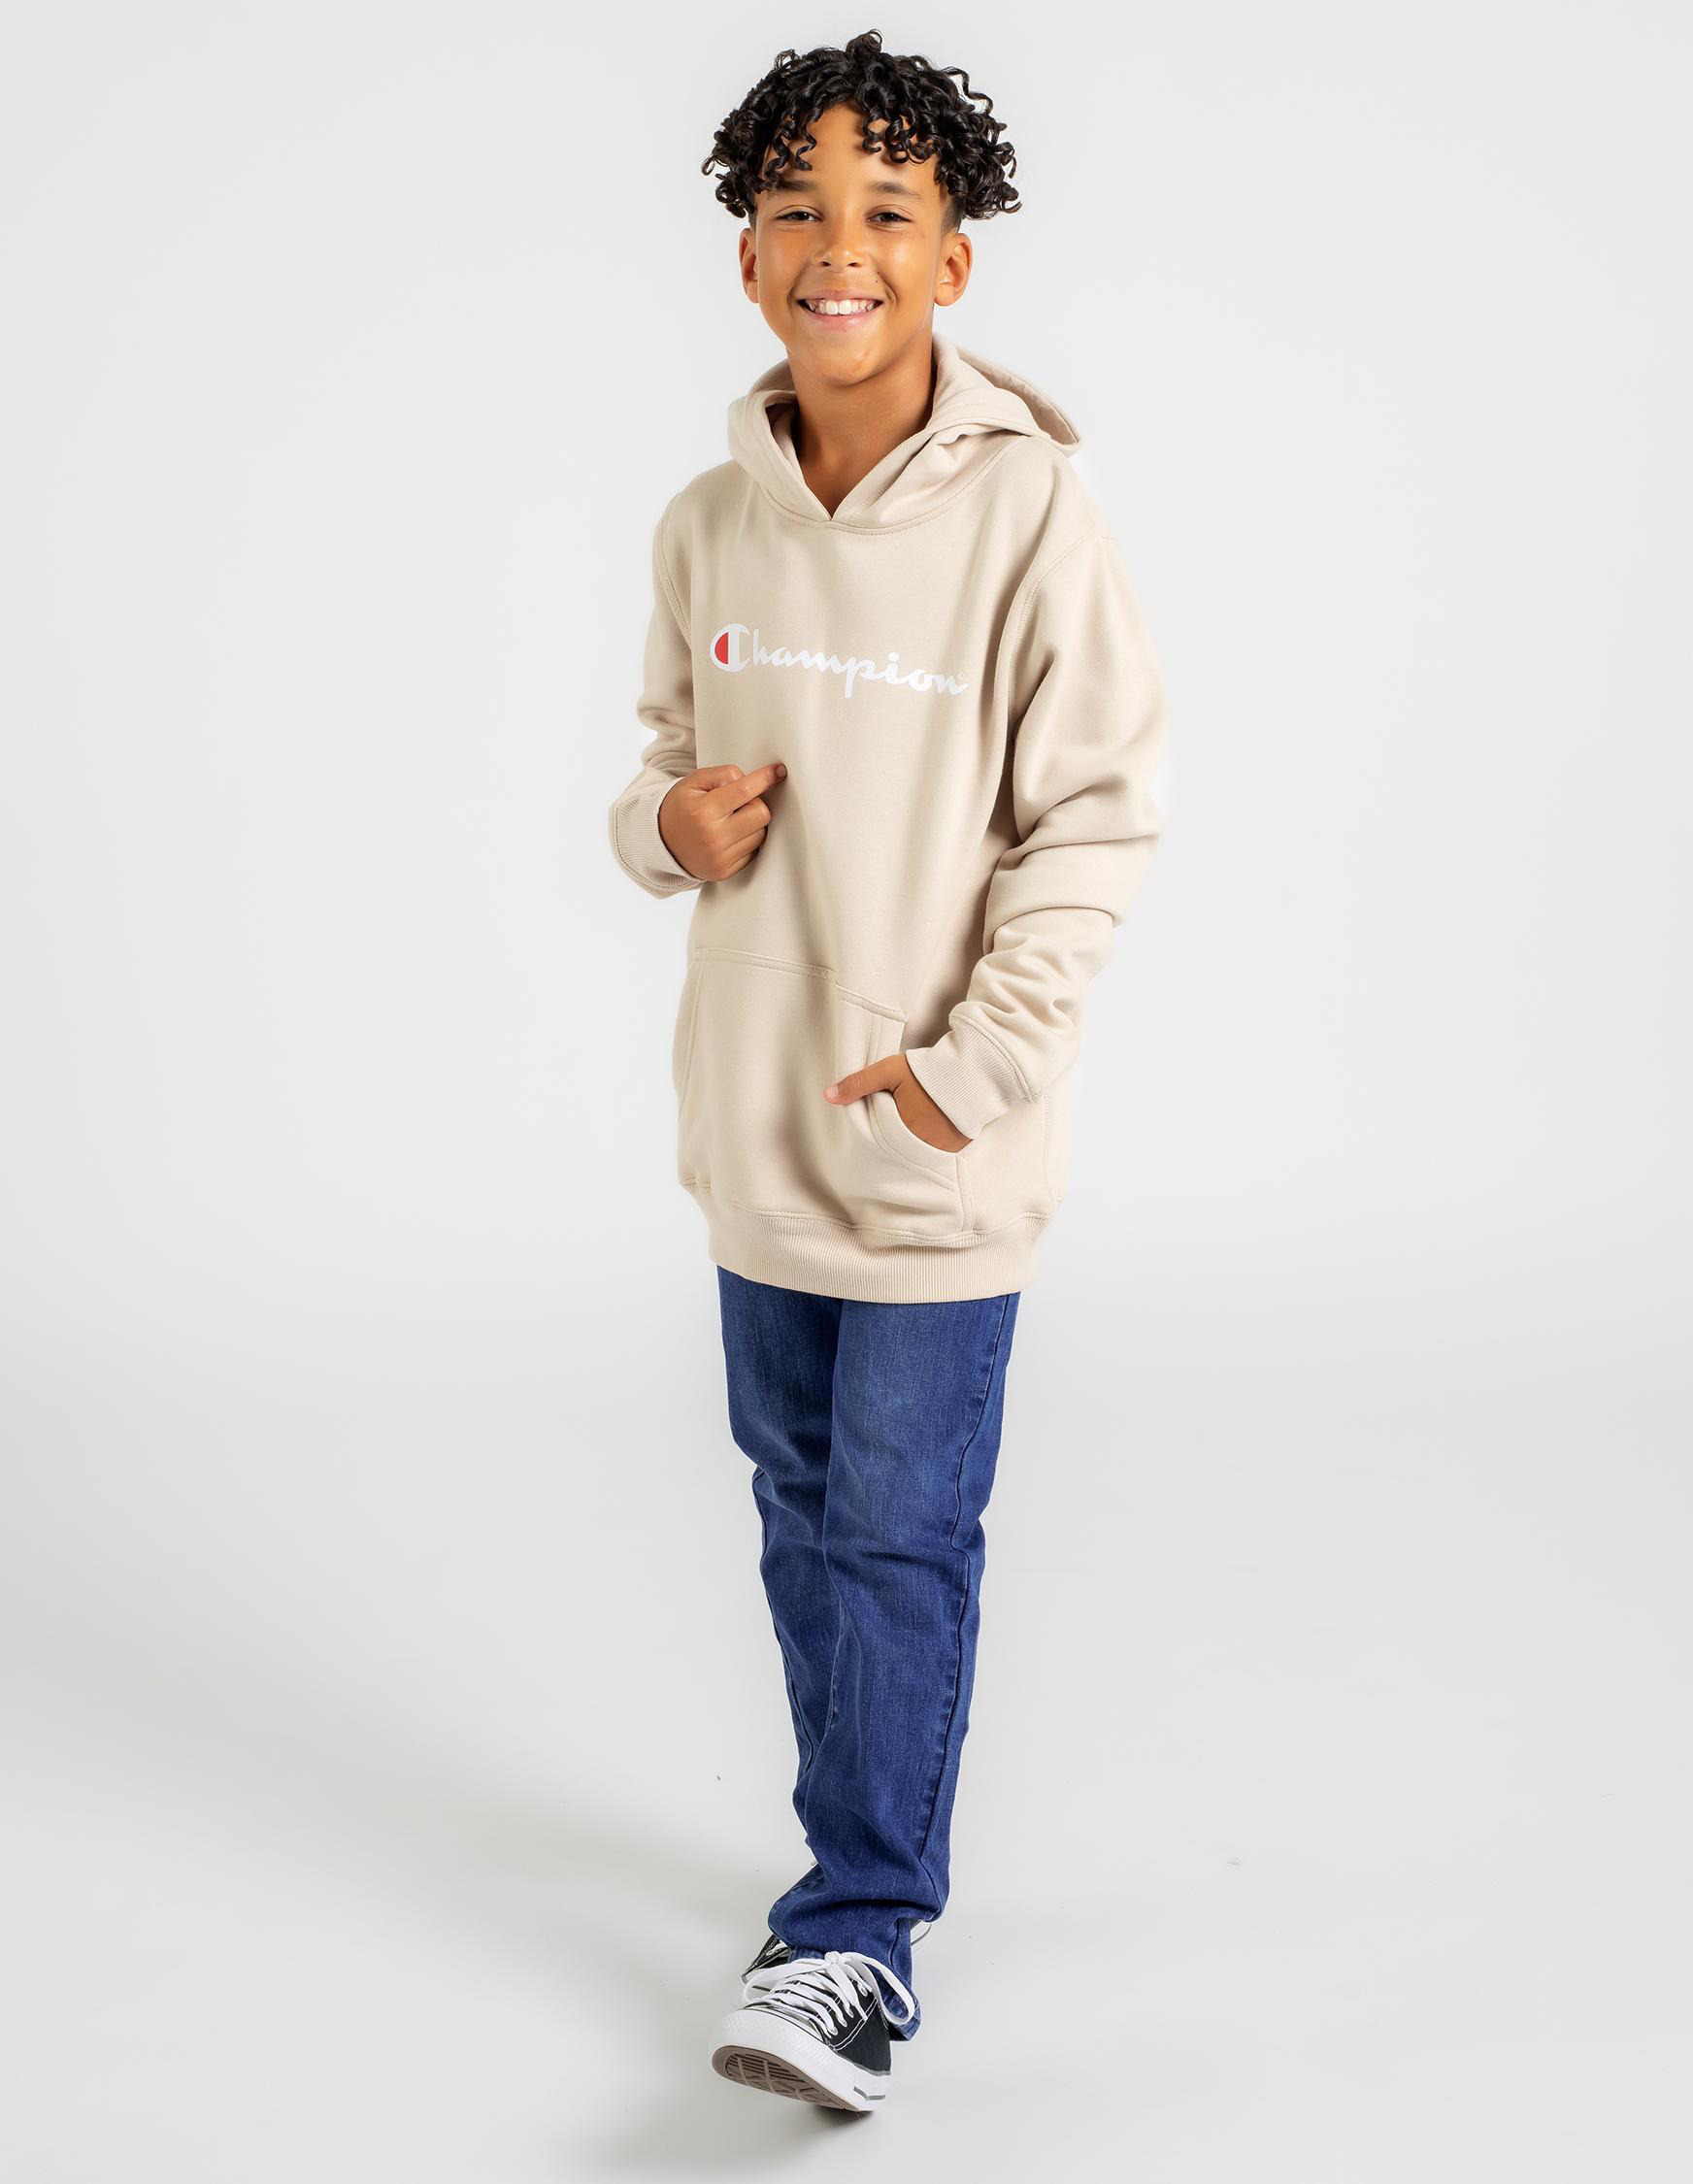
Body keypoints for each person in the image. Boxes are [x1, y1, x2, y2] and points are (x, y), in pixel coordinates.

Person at [606, 30, 1168, 2115]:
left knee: (901, 1534)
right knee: (802, 1511)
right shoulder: (708, 524)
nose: (838, 244)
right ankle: (844, 1875)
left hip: (937, 1141)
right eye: (799, 206)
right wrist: (668, 832)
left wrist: (974, 1070)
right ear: (749, 252)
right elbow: (661, 770)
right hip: (757, 1127)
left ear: (952, 260)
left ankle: (857, 1935)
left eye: (887, 210)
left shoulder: (1032, 515)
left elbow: (1095, 813)